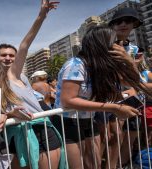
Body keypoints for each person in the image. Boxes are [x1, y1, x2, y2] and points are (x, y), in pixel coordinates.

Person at [52, 25, 152, 169]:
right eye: (115, 42)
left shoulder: (100, 66)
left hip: (88, 121)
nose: (118, 45)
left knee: (95, 165)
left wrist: (129, 61)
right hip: (68, 123)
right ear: (101, 43)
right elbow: (68, 100)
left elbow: (134, 82)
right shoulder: (76, 64)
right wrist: (114, 108)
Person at [0, 1, 62, 168]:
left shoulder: (15, 75)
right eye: (3, 55)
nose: (8, 58)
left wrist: (42, 15)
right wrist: (9, 115)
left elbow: (25, 44)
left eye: (11, 55)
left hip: (41, 129)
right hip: (16, 134)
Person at [108, 7, 146, 168]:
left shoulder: (136, 50)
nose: (123, 24)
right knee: (114, 137)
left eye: (128, 21)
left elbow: (140, 75)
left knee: (131, 136)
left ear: (134, 25)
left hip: (134, 97)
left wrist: (135, 87)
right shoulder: (106, 47)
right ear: (113, 25)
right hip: (112, 97)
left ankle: (122, 165)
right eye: (118, 21)